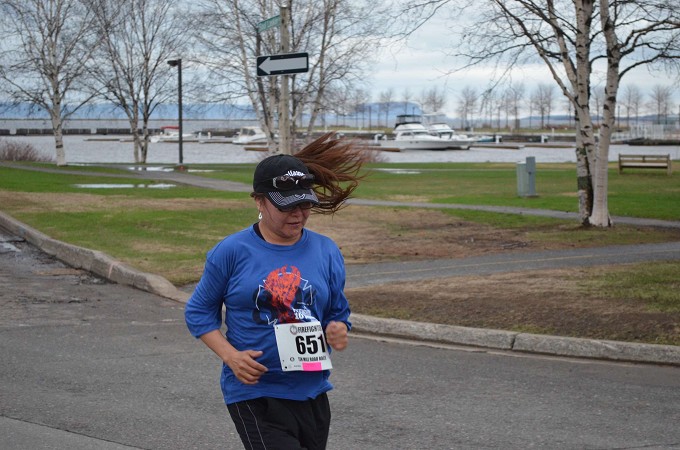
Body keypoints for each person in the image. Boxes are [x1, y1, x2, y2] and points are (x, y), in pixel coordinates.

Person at [185, 133, 365, 450]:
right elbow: (199, 312)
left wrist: (338, 327)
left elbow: (337, 312)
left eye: (305, 204)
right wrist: (231, 356)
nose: (298, 214)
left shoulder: (326, 250)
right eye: (287, 206)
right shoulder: (231, 251)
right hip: (255, 392)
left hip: (311, 389)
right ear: (259, 201)